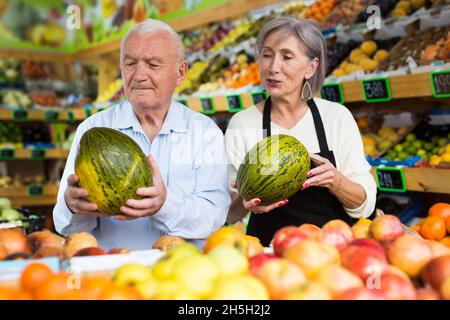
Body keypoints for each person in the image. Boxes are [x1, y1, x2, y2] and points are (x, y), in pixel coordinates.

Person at [53, 19, 230, 250]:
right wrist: (72, 206)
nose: (138, 75)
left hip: (183, 275)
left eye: (153, 64)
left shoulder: (204, 133)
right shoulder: (92, 129)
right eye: (130, 63)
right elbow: (66, 227)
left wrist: (164, 204)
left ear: (180, 72)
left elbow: (214, 217)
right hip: (111, 273)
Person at [225, 16, 377, 246]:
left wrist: (336, 181)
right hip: (269, 256)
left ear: (311, 67)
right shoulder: (242, 123)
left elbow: (364, 206)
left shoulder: (335, 117)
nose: (273, 67)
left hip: (332, 251)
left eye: (287, 57)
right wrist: (245, 203)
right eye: (267, 55)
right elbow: (229, 214)